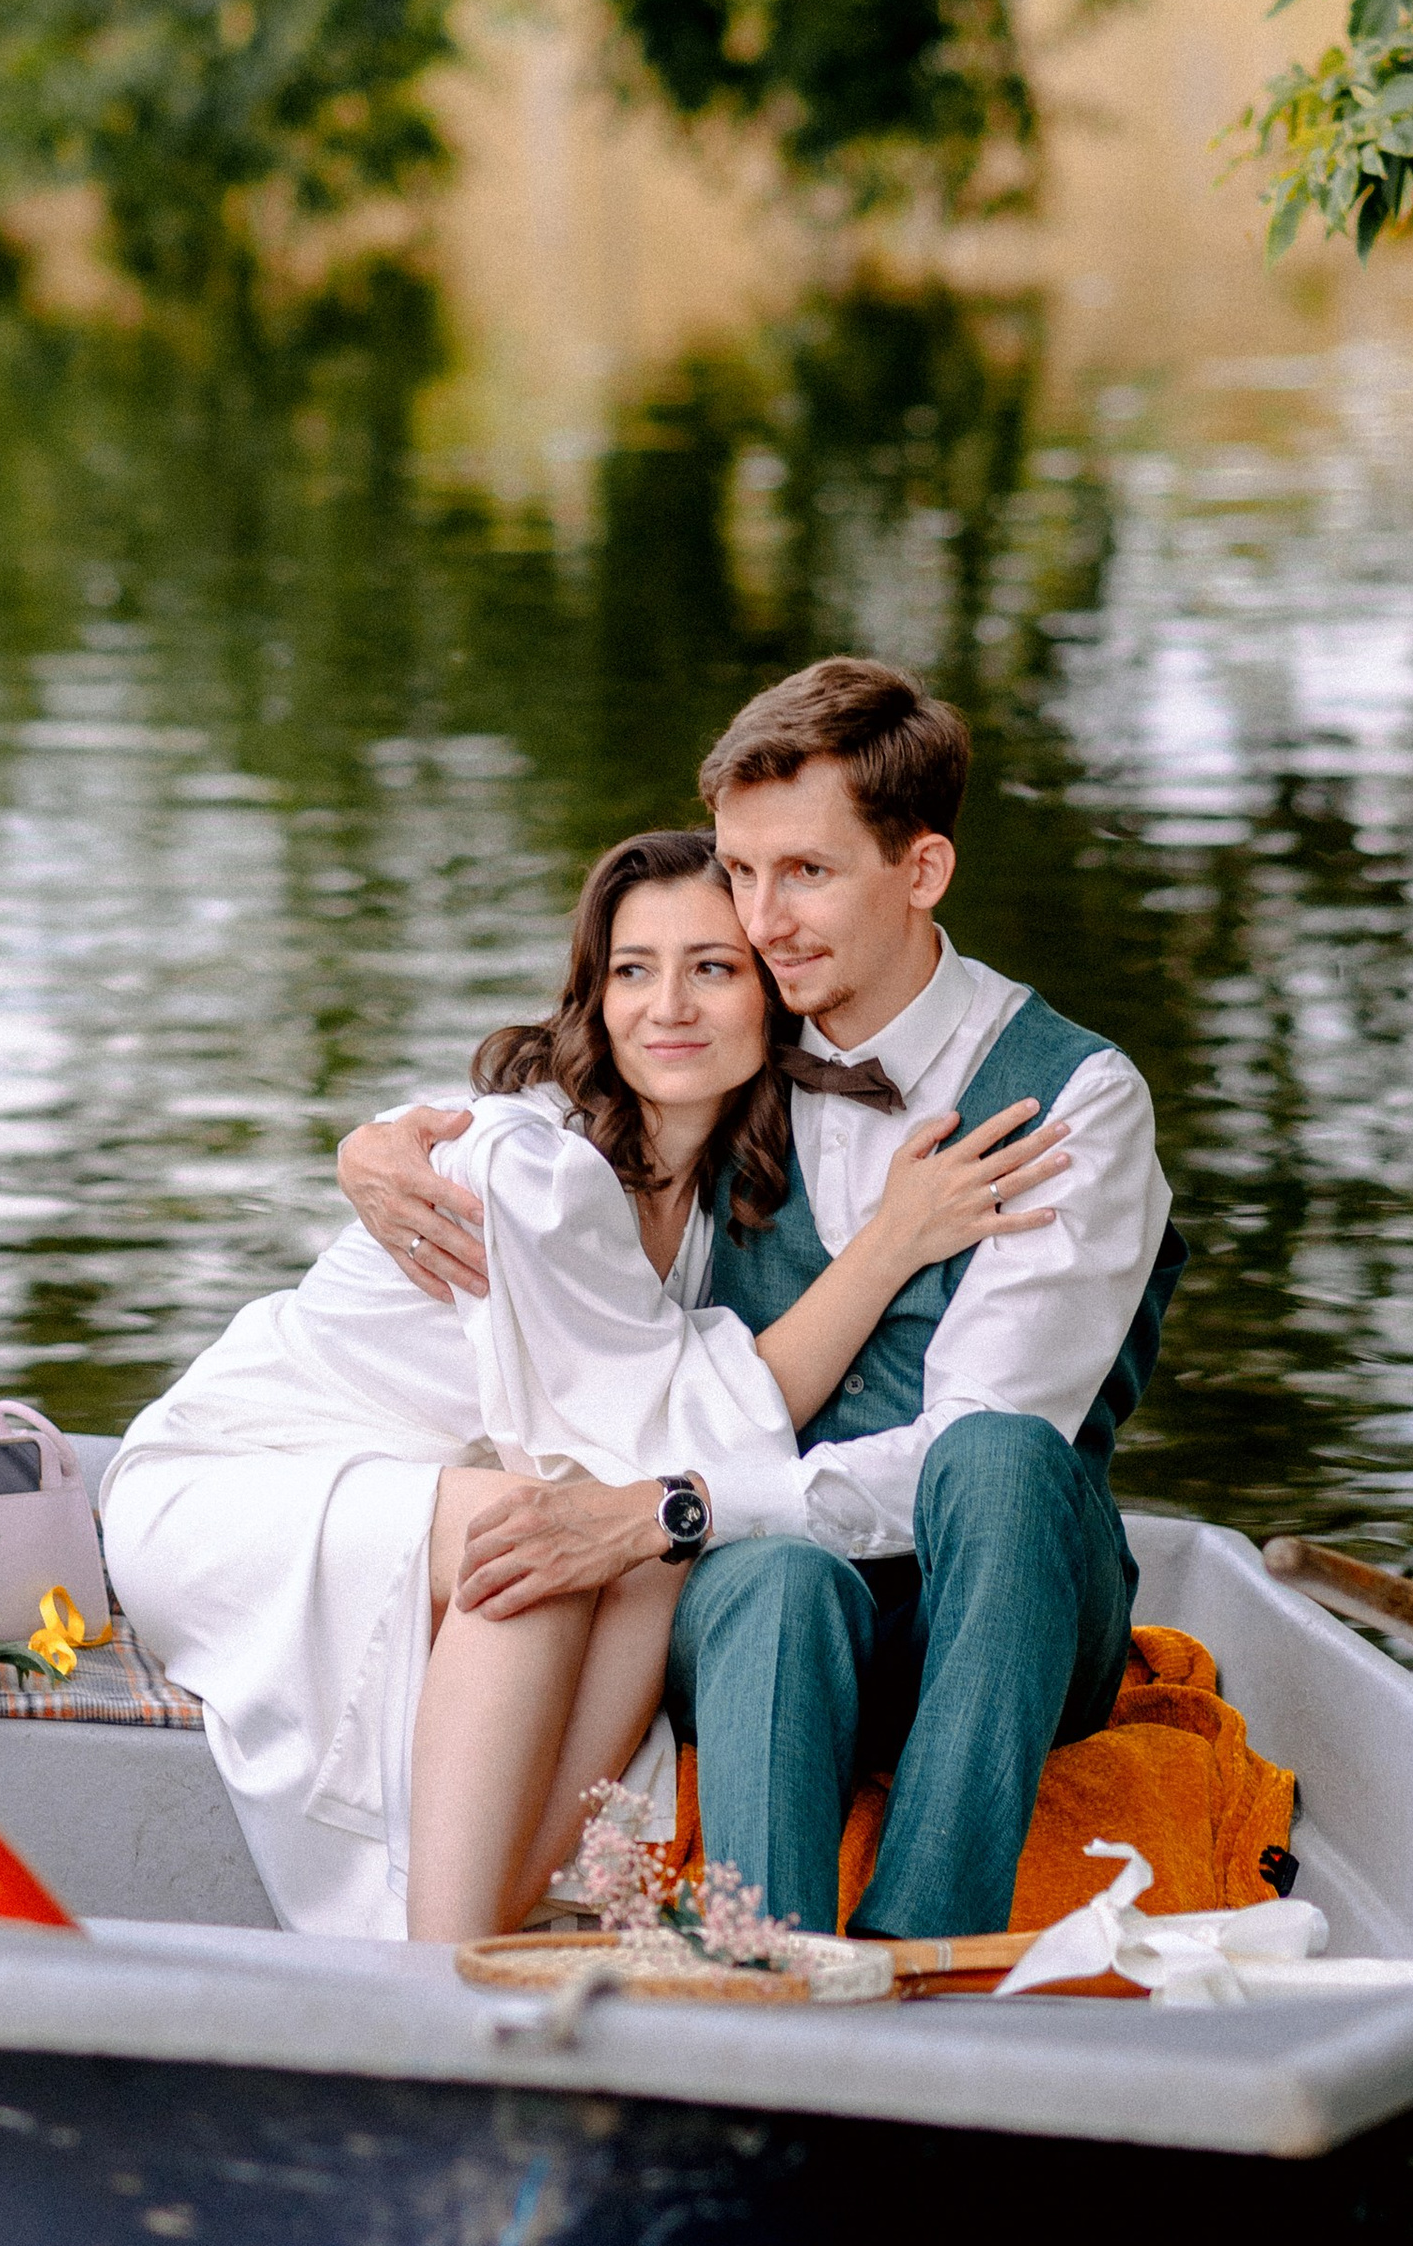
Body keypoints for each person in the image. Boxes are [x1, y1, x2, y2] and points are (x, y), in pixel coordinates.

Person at [338, 660, 1185, 1944]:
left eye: (806, 872)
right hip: (761, 1614)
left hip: (1004, 1621)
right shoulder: (734, 1044)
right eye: (741, 871)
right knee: (774, 1581)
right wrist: (376, 1146)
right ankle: (763, 1969)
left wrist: (670, 1505)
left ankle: (917, 1945)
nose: (763, 919)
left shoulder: (1073, 1096)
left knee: (1004, 1456)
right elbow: (543, 1104)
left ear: (922, 871)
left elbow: (978, 1440)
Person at [101, 826, 1061, 1943]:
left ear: (771, 995)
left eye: (712, 966)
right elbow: (686, 1425)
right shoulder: (534, 1161)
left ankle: (490, 1910)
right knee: (540, 1534)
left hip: (403, 1501)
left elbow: (665, 1461)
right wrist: (889, 1243)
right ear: (594, 1000)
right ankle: (436, 1965)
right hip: (232, 1489)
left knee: (645, 1546)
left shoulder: (705, 1212)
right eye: (632, 970)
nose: (669, 1006)